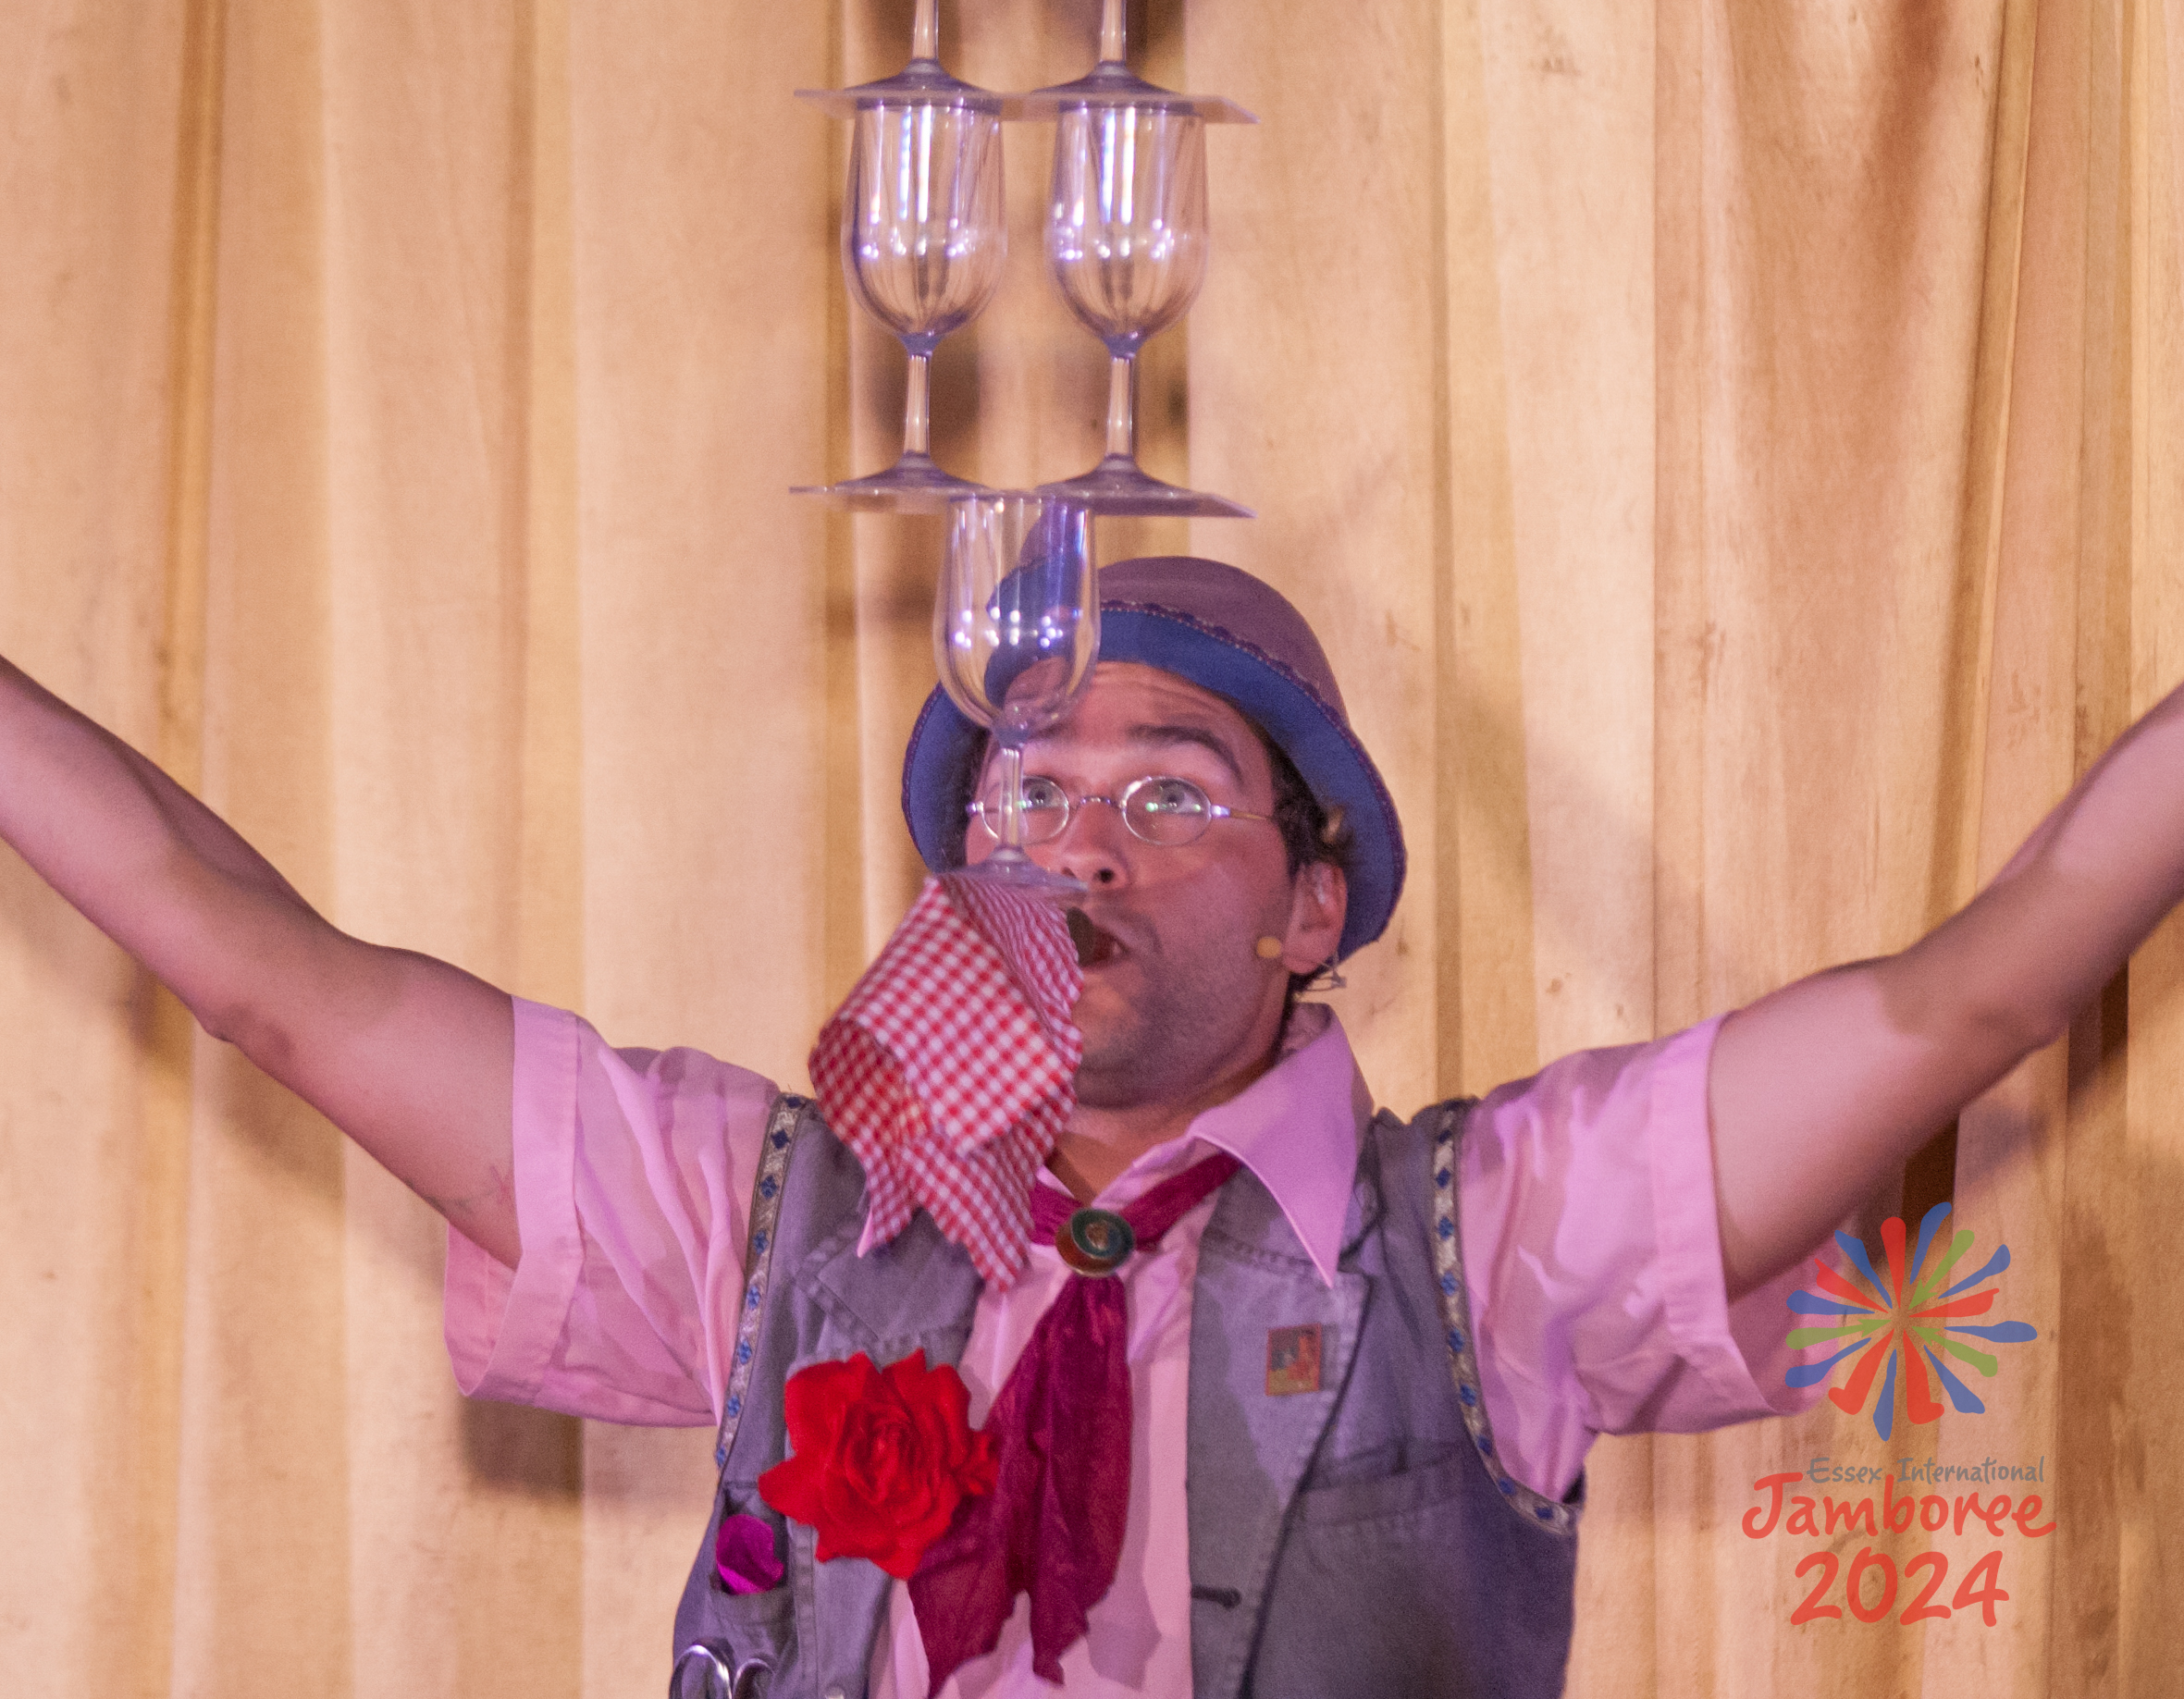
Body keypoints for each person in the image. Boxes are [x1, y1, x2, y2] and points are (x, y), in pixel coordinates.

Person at [0, 552, 2163, 1696]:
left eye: (1169, 790)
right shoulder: (774, 1214)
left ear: (1314, 902)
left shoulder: (1490, 1229)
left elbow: (1968, 985)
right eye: (1027, 794)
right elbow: (263, 968)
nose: (1079, 844)